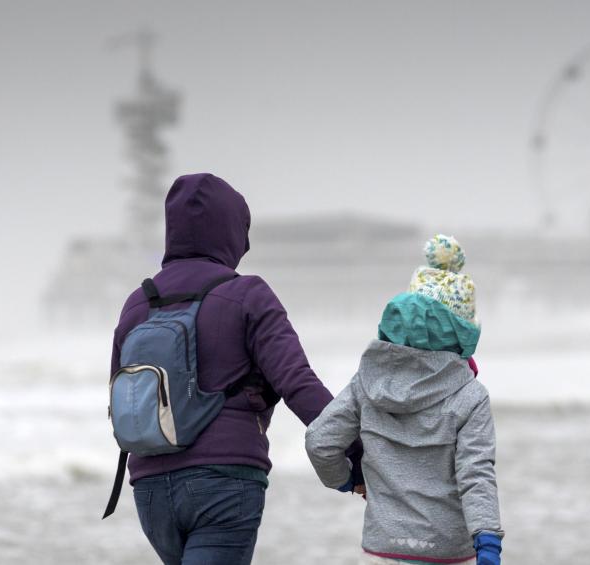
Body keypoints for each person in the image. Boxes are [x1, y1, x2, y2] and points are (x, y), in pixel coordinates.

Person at [111, 172, 362, 564]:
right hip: (224, 483)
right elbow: (298, 384)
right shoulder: (248, 294)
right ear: (232, 231)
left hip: (149, 487)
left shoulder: (138, 304)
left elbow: (122, 396)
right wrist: (359, 452)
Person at [305, 234, 504, 565]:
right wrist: (487, 542)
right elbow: (476, 473)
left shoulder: (367, 382)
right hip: (449, 554)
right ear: (464, 332)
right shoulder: (470, 395)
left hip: (381, 549)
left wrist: (347, 480)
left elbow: (320, 441)